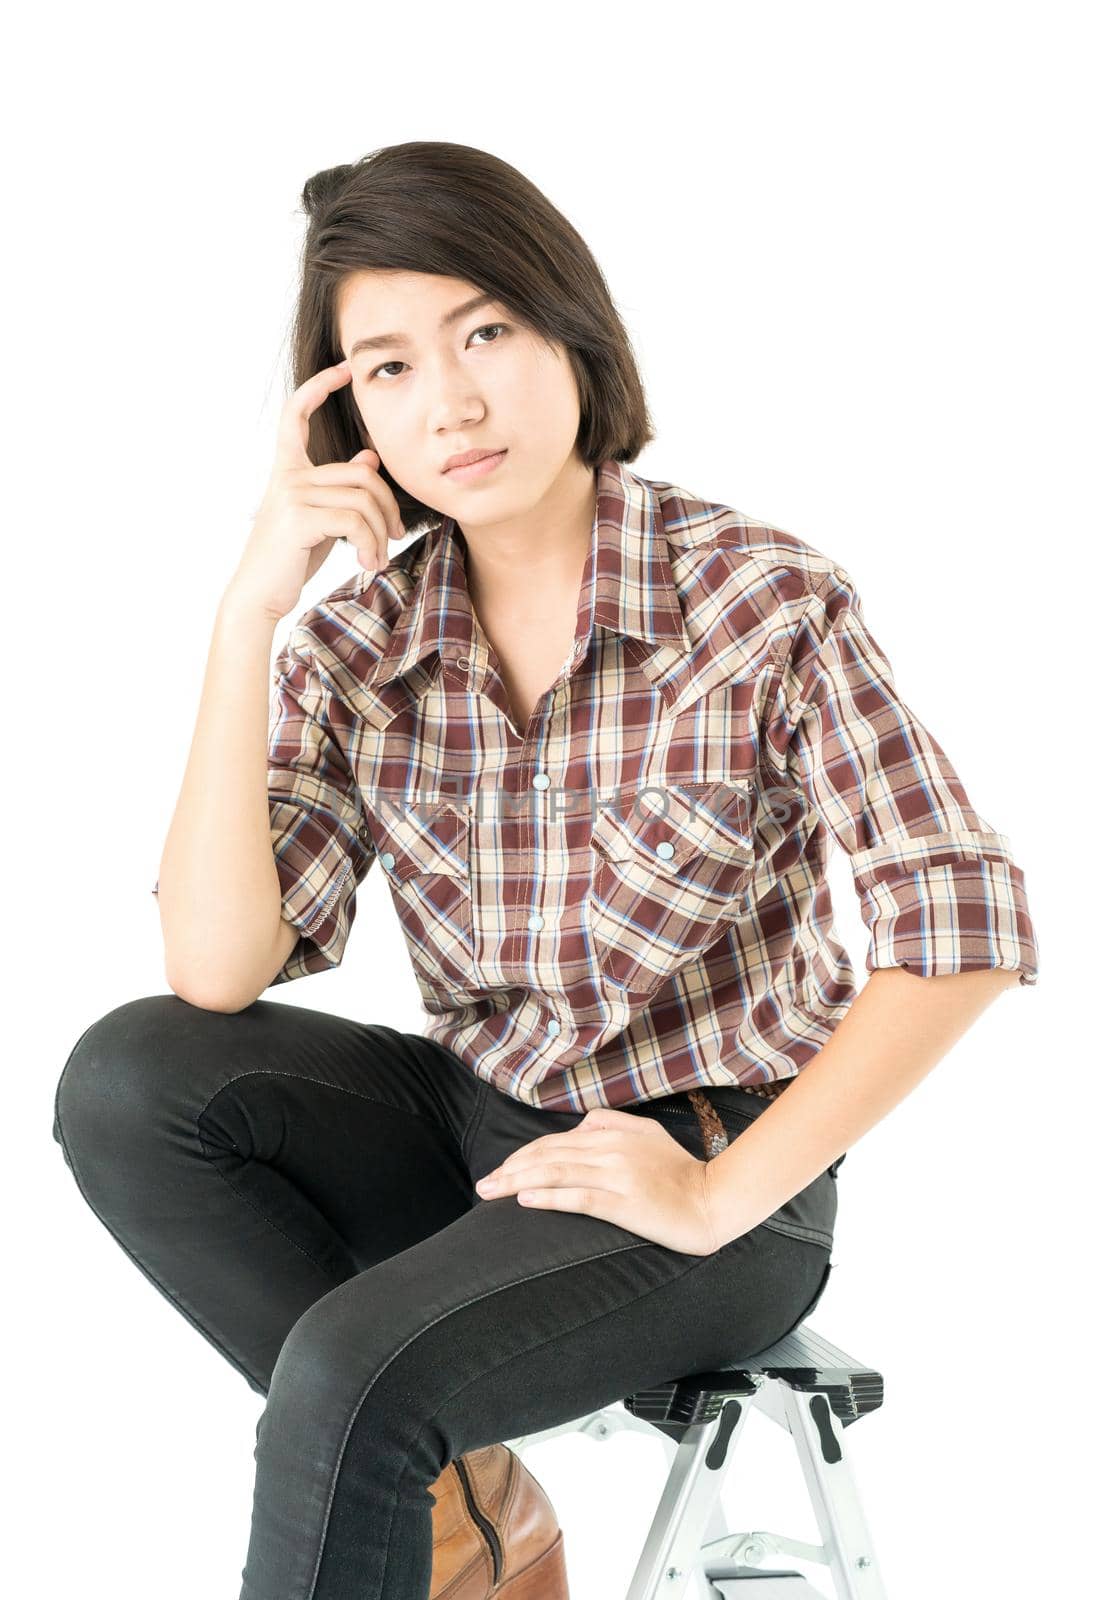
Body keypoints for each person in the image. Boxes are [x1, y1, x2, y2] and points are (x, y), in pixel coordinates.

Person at [51, 140, 1040, 1600]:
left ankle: (397, 1452)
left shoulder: (755, 597)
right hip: (488, 1134)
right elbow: (216, 969)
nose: (447, 402)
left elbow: (960, 924)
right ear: (343, 424)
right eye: (384, 369)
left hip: (713, 1155)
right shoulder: (358, 644)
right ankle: (463, 1504)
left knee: (344, 1378)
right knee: (131, 1078)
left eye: (485, 333)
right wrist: (245, 618)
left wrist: (718, 1194)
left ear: (569, 329)